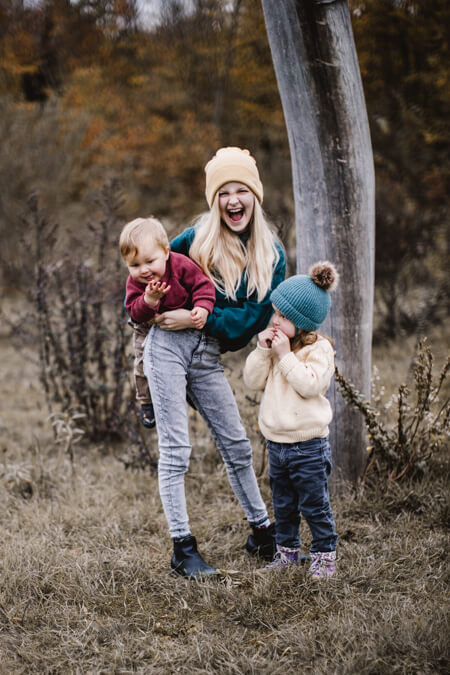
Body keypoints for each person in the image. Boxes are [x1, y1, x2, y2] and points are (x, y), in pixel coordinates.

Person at [144, 147, 286, 578]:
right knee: (176, 449)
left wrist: (198, 316)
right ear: (214, 199)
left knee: (238, 445)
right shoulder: (193, 241)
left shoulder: (272, 256)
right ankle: (182, 548)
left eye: (241, 189)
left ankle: (261, 532)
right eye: (224, 192)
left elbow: (250, 322)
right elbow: (147, 272)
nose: (233, 200)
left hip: (205, 356)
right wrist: (151, 304)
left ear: (255, 196)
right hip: (167, 346)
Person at [243, 261, 339, 579]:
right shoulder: (274, 348)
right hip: (278, 445)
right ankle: (286, 552)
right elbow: (251, 381)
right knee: (283, 506)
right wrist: (261, 350)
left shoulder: (320, 350)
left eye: (283, 317)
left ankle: (324, 555)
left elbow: (310, 385)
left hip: (308, 446)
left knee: (314, 504)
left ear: (301, 322)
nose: (275, 320)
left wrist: (284, 356)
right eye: (275, 313)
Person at [120, 216, 217, 429]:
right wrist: (149, 300)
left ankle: (189, 391)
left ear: (165, 252)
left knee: (191, 361)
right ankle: (147, 400)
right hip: (147, 327)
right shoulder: (135, 283)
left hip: (182, 324)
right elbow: (135, 312)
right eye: (134, 265)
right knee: (142, 363)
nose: (143, 270)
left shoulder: (181, 265)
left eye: (149, 261)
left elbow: (203, 286)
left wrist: (202, 307)